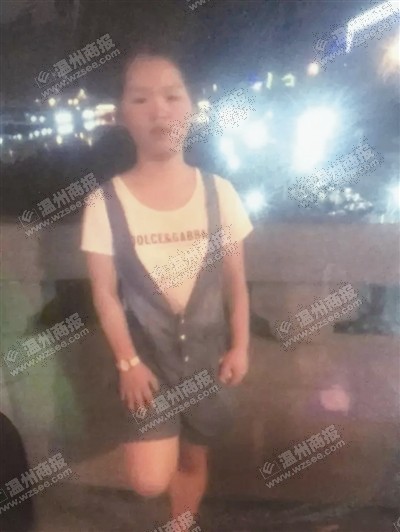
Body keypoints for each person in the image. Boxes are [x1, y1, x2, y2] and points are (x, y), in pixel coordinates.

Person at [80, 42, 253, 531]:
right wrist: (127, 362)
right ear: (122, 115)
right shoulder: (104, 202)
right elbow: (104, 294)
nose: (158, 109)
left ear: (191, 107)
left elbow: (236, 283)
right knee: (148, 479)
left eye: (172, 95)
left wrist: (240, 345)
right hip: (147, 365)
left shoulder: (220, 192)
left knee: (195, 457)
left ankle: (181, 524)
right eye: (141, 98)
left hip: (207, 360)